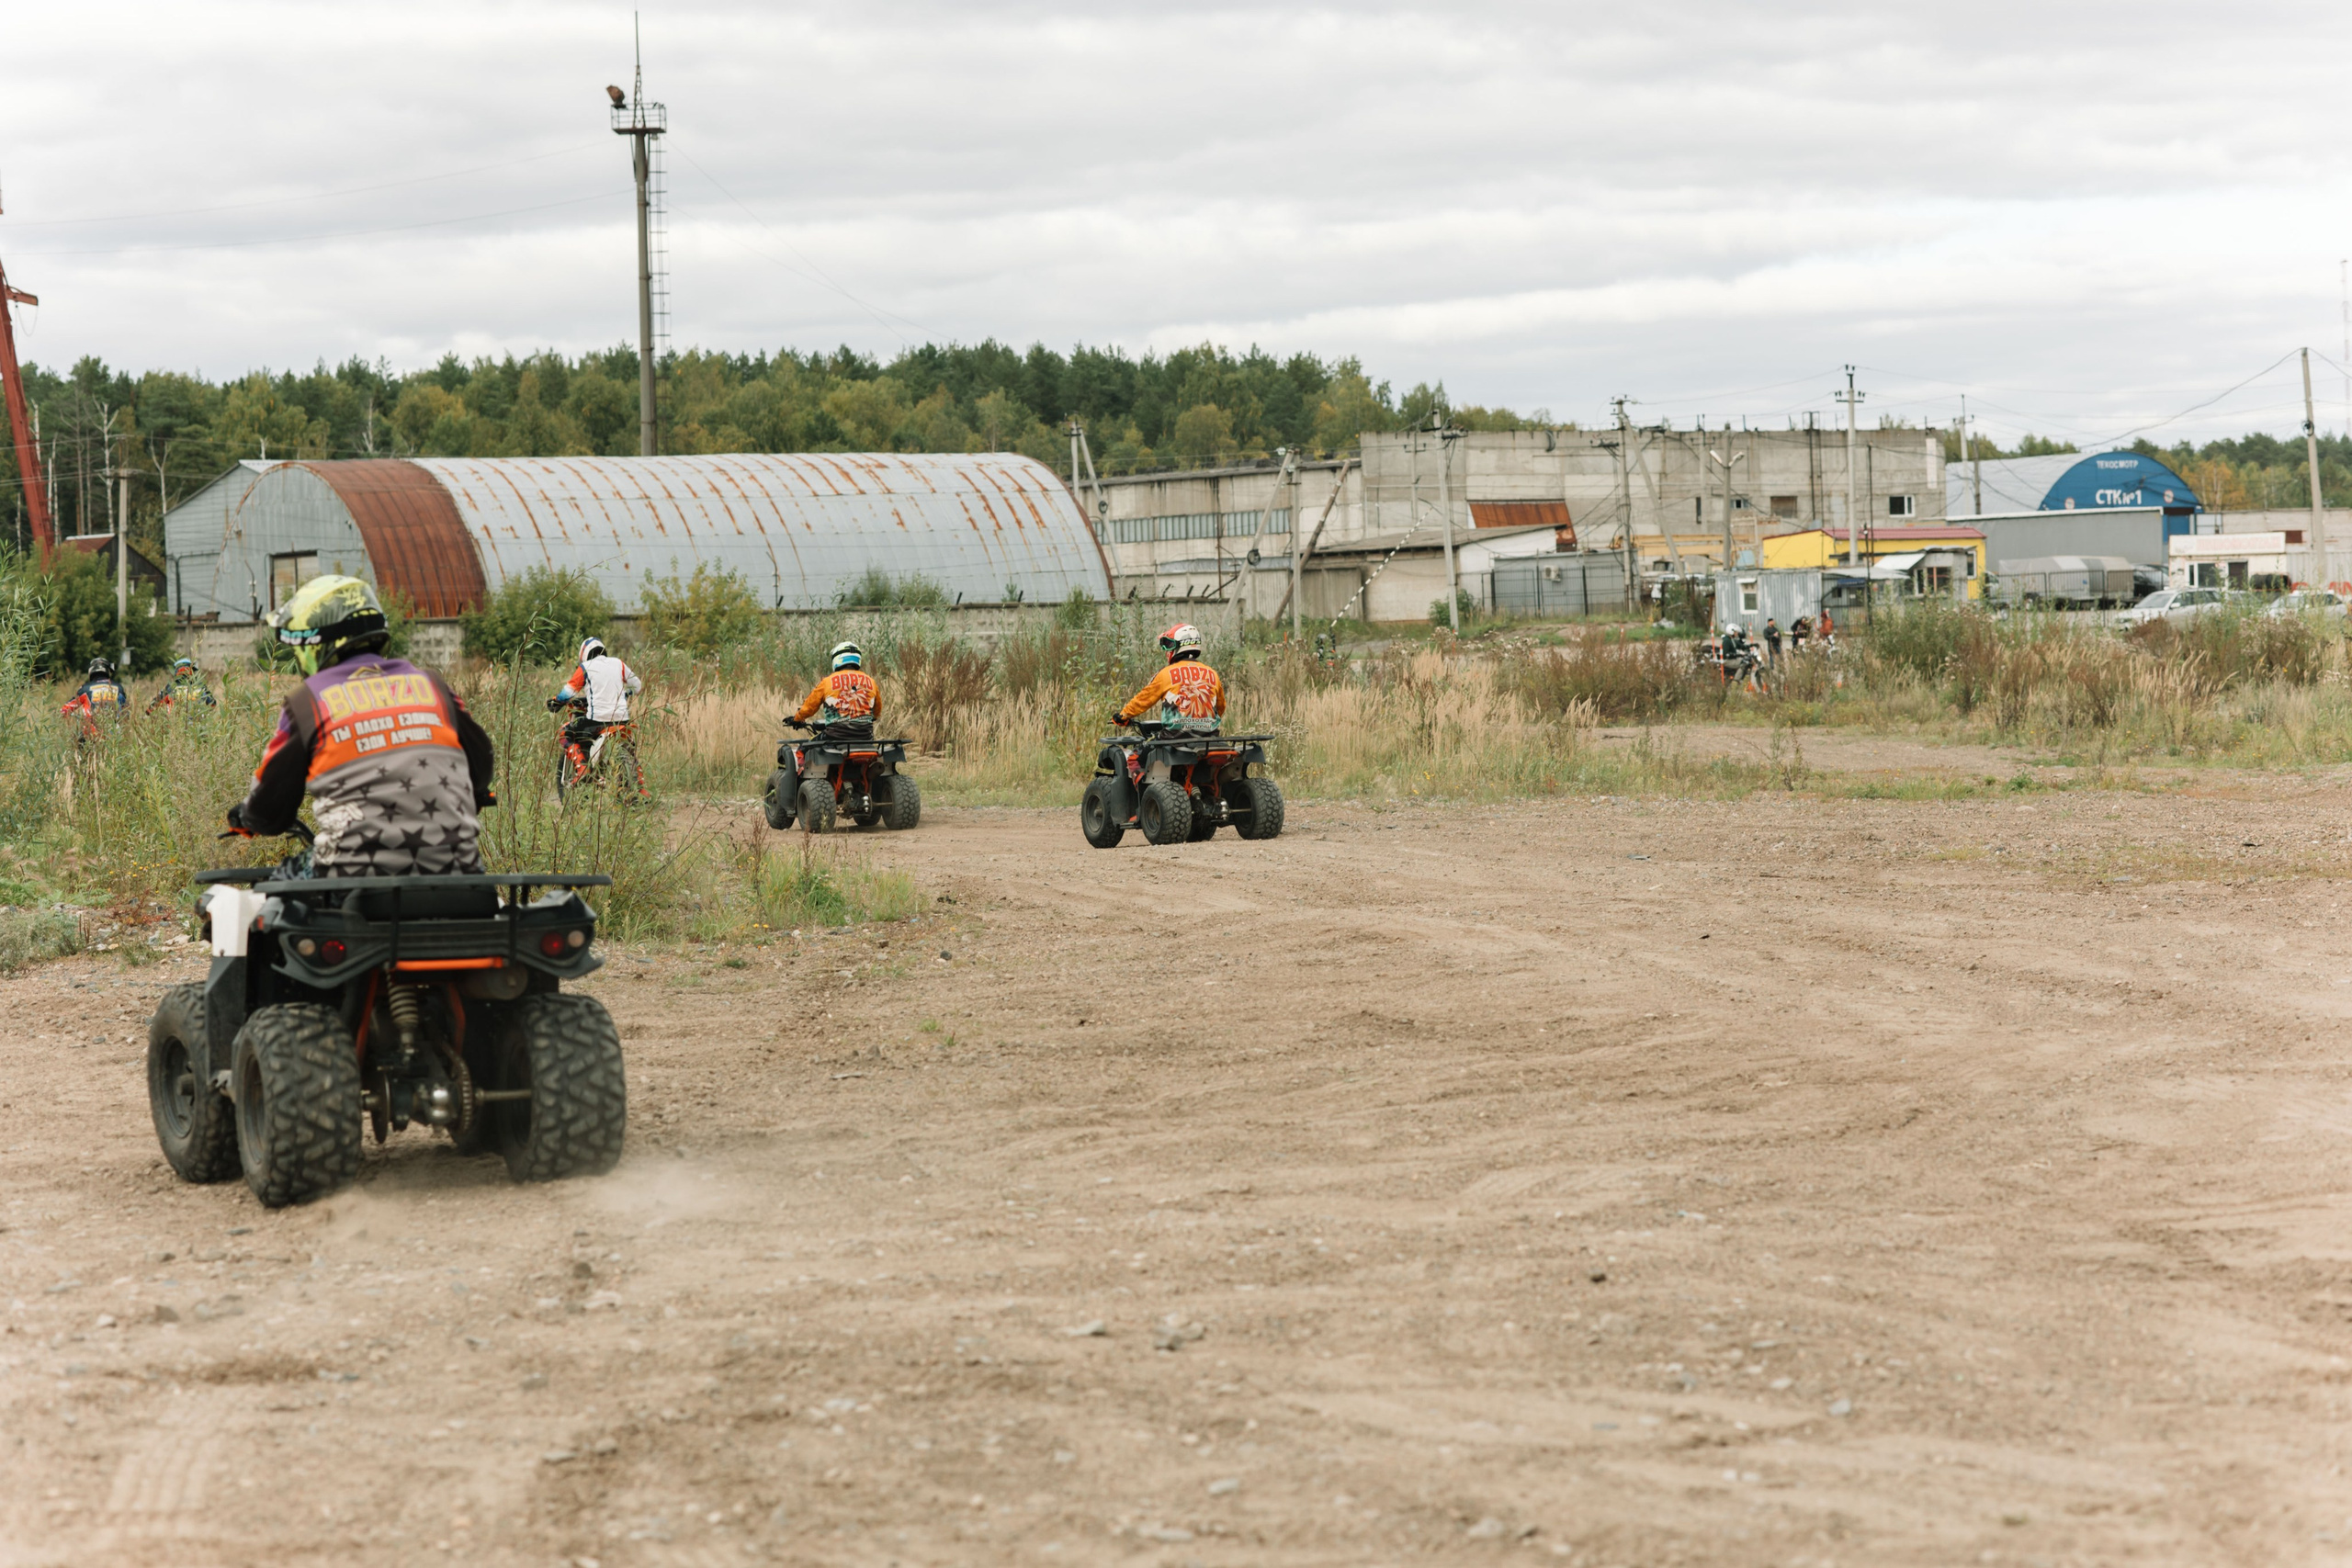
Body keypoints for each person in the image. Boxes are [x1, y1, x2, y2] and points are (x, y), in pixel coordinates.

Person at [230, 575, 494, 877]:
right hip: (460, 874)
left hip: (352, 880)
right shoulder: (433, 686)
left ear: (317, 646)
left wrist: (246, 816)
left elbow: (270, 812)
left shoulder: (307, 702)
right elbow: (482, 765)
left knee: (276, 887)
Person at [548, 636, 643, 784]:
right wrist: (624, 695)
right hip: (623, 719)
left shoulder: (586, 667)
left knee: (565, 733)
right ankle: (641, 789)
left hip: (597, 720)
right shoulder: (618, 663)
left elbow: (569, 692)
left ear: (584, 654)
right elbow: (637, 686)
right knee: (629, 749)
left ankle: (582, 769)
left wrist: (556, 701)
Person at [1115, 623, 1226, 732]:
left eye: (1169, 645)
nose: (1167, 650)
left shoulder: (1165, 674)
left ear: (1179, 645)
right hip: (1210, 739)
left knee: (1144, 749)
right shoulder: (1212, 673)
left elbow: (1143, 699)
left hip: (1174, 739)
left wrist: (1123, 716)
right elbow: (1221, 707)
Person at [61, 659, 129, 739]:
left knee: (76, 741)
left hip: (90, 733)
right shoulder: (119, 688)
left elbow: (64, 710)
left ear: (91, 670)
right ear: (107, 671)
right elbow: (125, 713)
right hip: (114, 736)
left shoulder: (85, 689)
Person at [146, 656, 219, 714]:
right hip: (197, 726)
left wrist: (148, 712)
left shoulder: (170, 687)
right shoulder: (201, 686)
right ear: (192, 671)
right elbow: (212, 704)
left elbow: (154, 704)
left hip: (176, 727)